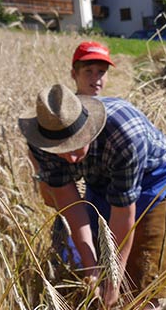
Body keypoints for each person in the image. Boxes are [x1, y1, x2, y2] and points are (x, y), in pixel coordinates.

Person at [21, 82, 166, 307]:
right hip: (99, 181)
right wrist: (91, 267)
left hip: (152, 178)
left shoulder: (125, 139)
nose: (72, 159)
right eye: (61, 151)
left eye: (75, 147)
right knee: (94, 261)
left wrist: (114, 280)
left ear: (88, 130)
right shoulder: (42, 141)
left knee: (143, 276)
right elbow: (71, 206)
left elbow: (123, 213)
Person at [33, 41, 117, 268]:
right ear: (74, 74)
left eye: (101, 72)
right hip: (72, 188)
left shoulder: (112, 116)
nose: (96, 78)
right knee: (69, 231)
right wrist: (43, 177)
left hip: (106, 188)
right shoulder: (61, 113)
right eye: (88, 71)